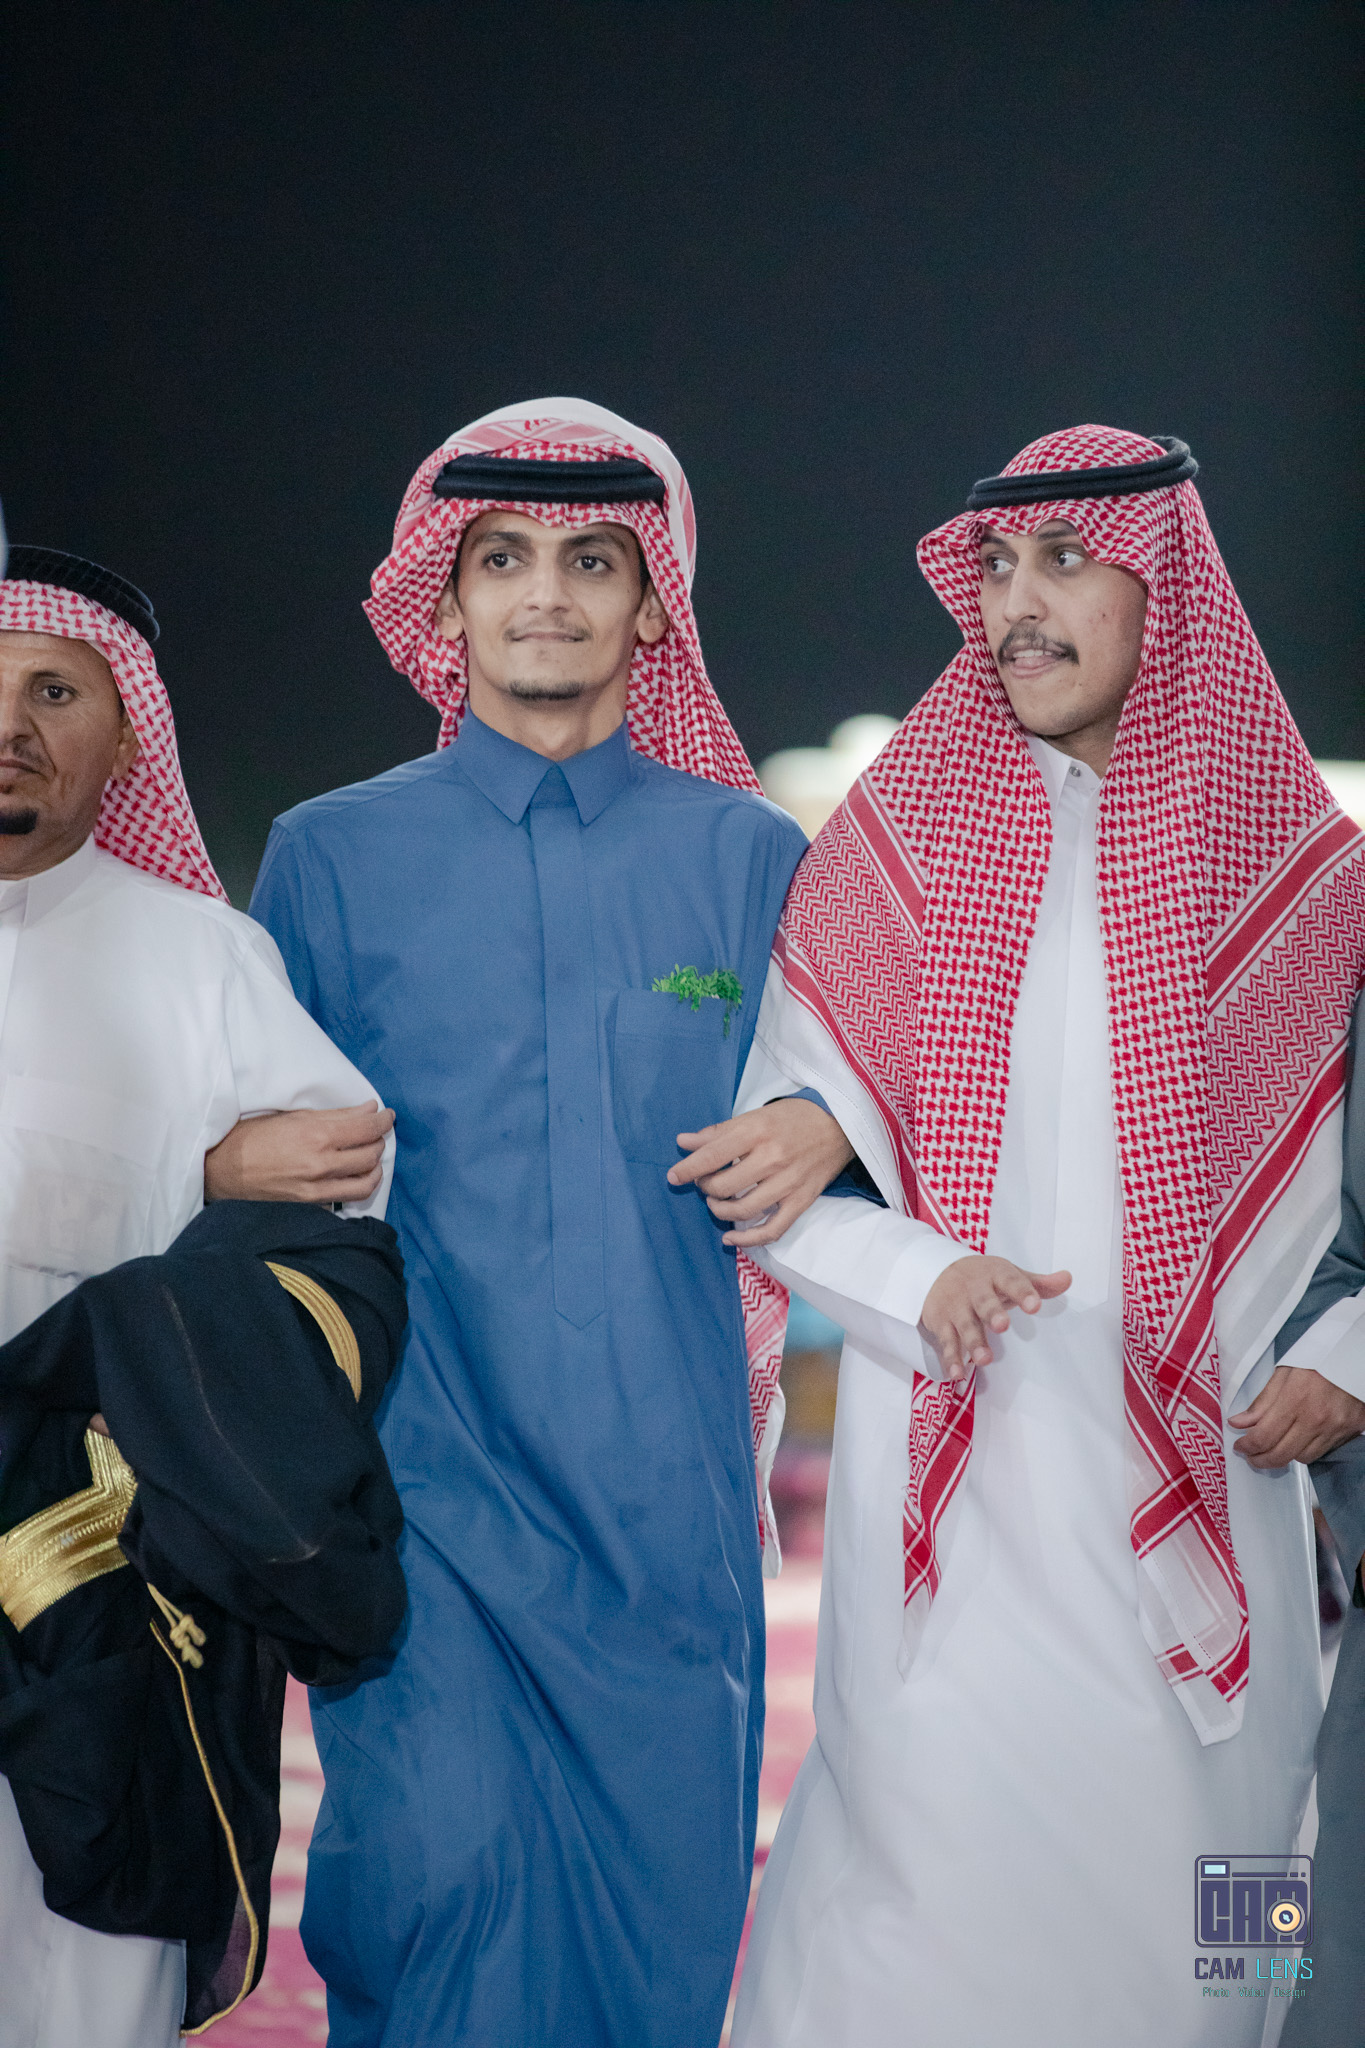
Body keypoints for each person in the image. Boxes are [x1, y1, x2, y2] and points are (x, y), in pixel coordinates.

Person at [710, 429, 1365, 2048]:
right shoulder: (895, 863)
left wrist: (1350, 1358)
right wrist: (919, 1273)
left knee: (1233, 1932)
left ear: (1168, 590)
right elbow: (764, 1180)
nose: (1016, 604)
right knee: (912, 1924)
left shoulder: (1312, 888)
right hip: (953, 1500)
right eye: (995, 567)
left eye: (1065, 563)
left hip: (1223, 1504)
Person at [225, 399, 847, 2048]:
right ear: (444, 600)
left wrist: (831, 1122)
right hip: (416, 1501)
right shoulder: (329, 857)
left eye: (591, 562)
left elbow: (873, 1124)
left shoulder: (750, 859)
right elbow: (241, 1174)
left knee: (659, 1936)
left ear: (654, 608)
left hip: (669, 1512)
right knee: (434, 1902)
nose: (546, 596)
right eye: (502, 560)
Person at [0, 546, 394, 2048]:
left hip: (91, 1553)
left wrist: (211, 1182)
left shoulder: (204, 959)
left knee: (88, 1949)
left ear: (127, 734)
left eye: (55, 691)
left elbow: (339, 1226)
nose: (12, 726)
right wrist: (194, 1167)